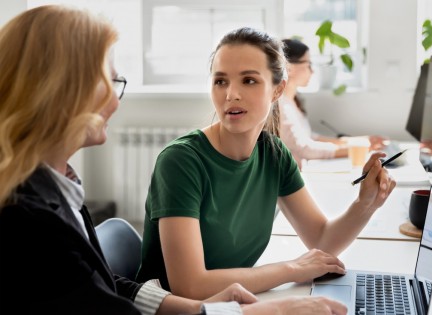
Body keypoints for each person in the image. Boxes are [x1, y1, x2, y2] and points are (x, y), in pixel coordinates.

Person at [0, 6, 347, 315]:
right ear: (58, 89)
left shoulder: (59, 189)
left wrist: (197, 308)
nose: (116, 100)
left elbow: (103, 289)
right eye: (108, 80)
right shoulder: (27, 221)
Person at [136, 27, 396, 300]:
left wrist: (366, 204)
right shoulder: (181, 161)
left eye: (249, 80)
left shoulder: (273, 153)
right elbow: (190, 286)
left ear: (277, 90)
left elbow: (321, 240)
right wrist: (291, 268)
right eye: (220, 81)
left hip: (235, 304)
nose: (231, 94)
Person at [280, 38, 385, 167]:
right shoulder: (281, 106)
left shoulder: (291, 101)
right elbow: (305, 149)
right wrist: (359, 148)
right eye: (308, 64)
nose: (312, 71)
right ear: (289, 67)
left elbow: (309, 137)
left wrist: (357, 141)